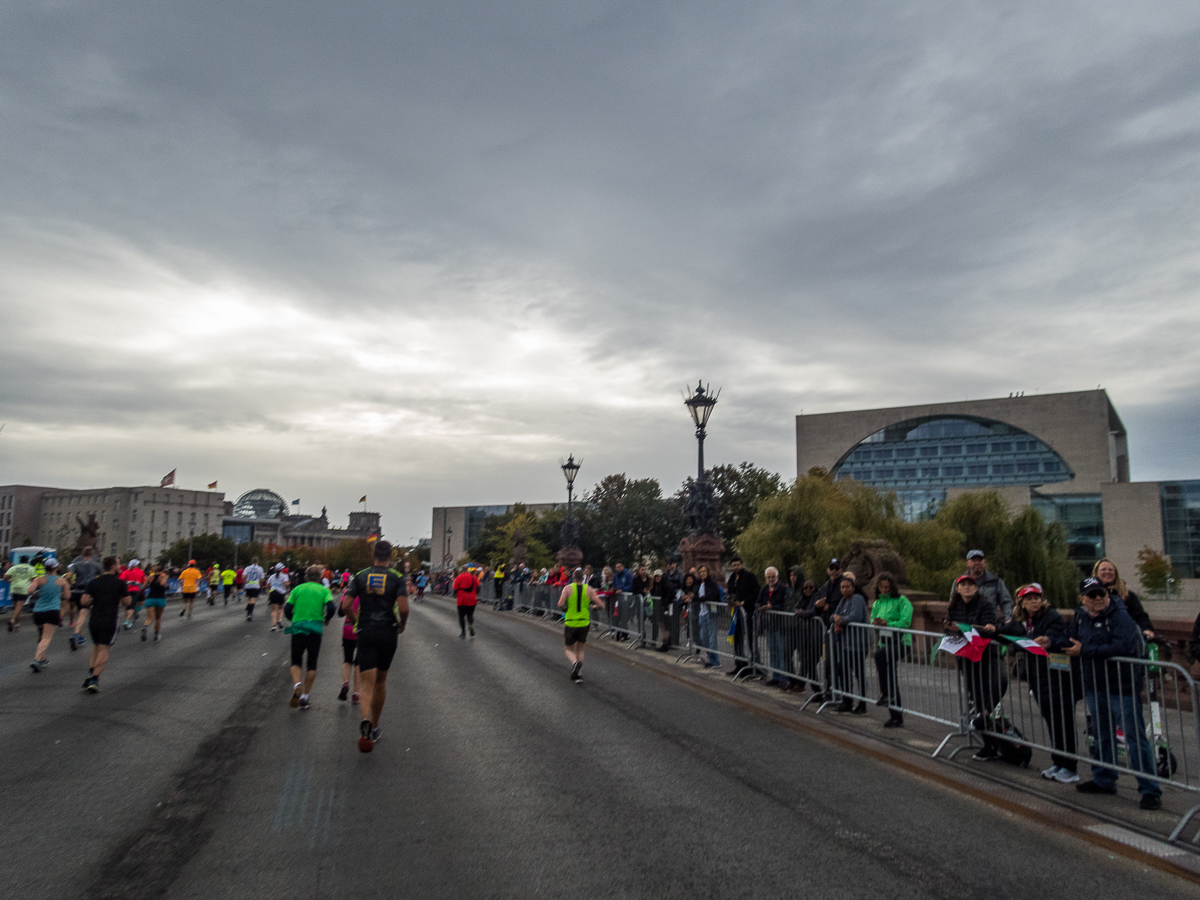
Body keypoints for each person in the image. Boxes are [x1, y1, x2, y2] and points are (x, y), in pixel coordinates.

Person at [1065, 578, 1162, 809]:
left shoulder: (1120, 616)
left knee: (1134, 739)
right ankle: (1104, 779)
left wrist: (1085, 650)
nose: (1098, 598)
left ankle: (1150, 790)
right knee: (1101, 735)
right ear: (1083, 599)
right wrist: (1048, 640)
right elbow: (1069, 638)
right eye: (1092, 595)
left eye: (1102, 594)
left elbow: (1123, 646)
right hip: (1096, 685)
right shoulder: (1081, 616)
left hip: (1122, 687)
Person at [1002, 583, 1078, 783]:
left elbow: (1060, 636)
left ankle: (1070, 767)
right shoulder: (1022, 621)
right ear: (1022, 603)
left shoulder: (1051, 616)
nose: (1034, 601)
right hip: (1039, 677)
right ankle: (1058, 761)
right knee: (1051, 720)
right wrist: (991, 629)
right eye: (1029, 599)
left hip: (1058, 676)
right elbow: (1005, 633)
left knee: (1063, 721)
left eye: (1036, 598)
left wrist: (1049, 641)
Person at [343, 541, 408, 753]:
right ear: (390, 555)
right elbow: (405, 607)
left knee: (366, 683)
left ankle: (364, 720)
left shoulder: (360, 575)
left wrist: (354, 621)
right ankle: (376, 726)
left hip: (366, 631)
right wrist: (402, 623)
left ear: (374, 554)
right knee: (381, 681)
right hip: (388, 632)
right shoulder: (397, 577)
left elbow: (345, 605)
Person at [945, 574, 1007, 760]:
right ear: (957, 589)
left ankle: (989, 719)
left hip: (988, 655)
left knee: (999, 684)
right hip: (968, 658)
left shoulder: (985, 604)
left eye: (970, 584)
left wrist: (963, 629)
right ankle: (988, 746)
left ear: (975, 588)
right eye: (963, 584)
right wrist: (953, 629)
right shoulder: (954, 607)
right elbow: (948, 629)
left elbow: (988, 628)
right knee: (978, 698)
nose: (967, 587)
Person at [284, 565, 338, 710]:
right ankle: (304, 697)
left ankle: (297, 684)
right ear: (320, 577)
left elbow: (287, 609)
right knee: (312, 663)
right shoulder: (324, 590)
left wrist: (293, 619)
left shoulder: (297, 589)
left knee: (296, 661)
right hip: (315, 629)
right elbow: (332, 608)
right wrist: (326, 619)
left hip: (298, 628)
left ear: (306, 576)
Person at [79, 556, 132, 692]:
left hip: (95, 618)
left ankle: (91, 672)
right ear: (113, 566)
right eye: (118, 564)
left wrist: (96, 601)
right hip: (110, 619)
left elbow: (84, 601)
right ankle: (95, 679)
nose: (120, 567)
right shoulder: (120, 583)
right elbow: (128, 602)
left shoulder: (93, 582)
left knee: (95, 647)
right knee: (104, 649)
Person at [870, 573, 912, 728]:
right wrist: (875, 623)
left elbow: (906, 621)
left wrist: (888, 623)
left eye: (887, 587)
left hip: (901, 641)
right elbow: (872, 620)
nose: (884, 590)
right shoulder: (877, 603)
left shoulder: (902, 600)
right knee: (890, 677)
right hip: (884, 641)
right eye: (881, 587)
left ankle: (885, 694)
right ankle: (896, 716)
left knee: (879, 656)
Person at [557, 568, 605, 683]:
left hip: (571, 622)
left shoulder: (568, 588)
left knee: (569, 649)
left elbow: (560, 604)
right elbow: (601, 604)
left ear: (573, 578)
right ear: (583, 578)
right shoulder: (589, 589)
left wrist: (565, 609)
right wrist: (594, 607)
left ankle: (574, 663)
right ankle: (578, 675)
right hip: (584, 622)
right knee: (580, 649)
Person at [1092, 558, 1155, 642]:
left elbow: (1140, 616)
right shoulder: (1089, 595)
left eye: (1110, 569)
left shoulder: (1127, 595)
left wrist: (1146, 629)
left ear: (1115, 573)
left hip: (1122, 641)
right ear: (1096, 573)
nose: (1107, 572)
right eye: (1103, 569)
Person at [831, 575, 869, 713]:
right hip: (846, 643)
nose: (844, 589)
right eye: (842, 587)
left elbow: (856, 616)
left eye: (847, 586)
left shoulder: (857, 599)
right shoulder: (843, 600)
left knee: (859, 673)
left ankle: (862, 703)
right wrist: (836, 617)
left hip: (858, 642)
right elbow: (833, 615)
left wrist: (840, 619)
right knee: (842, 670)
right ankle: (847, 700)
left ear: (853, 587)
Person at [29, 558, 70, 672]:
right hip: (52, 611)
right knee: (46, 638)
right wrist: (58, 593)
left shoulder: (39, 579)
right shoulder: (62, 581)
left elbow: (30, 590)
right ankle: (36, 660)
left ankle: (43, 659)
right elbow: (67, 596)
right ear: (56, 567)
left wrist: (38, 592)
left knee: (42, 636)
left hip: (38, 611)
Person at [952, 550, 1013, 621]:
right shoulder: (958, 582)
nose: (977, 563)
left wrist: (1008, 619)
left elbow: (1006, 603)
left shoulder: (996, 582)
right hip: (966, 625)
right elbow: (953, 602)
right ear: (968, 563)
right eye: (974, 560)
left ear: (984, 562)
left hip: (990, 624)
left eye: (980, 560)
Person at [758, 567, 789, 687]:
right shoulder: (764, 589)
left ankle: (783, 677)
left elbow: (785, 605)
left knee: (781, 652)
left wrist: (772, 607)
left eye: (772, 577)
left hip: (779, 624)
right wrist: (761, 607)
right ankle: (775, 676)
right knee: (773, 652)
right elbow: (758, 602)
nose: (770, 579)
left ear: (777, 577)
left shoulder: (782, 589)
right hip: (769, 625)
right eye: (768, 577)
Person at [68, 546, 103, 650]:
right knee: (84, 614)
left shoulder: (76, 565)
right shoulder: (96, 565)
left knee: (80, 614)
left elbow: (68, 576)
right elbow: (101, 578)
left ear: (82, 555)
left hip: (78, 591)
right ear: (91, 555)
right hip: (88, 592)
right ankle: (75, 635)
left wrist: (72, 584)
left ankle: (80, 637)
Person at [695, 564, 722, 668]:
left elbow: (710, 596)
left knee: (712, 639)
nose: (702, 573)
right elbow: (694, 594)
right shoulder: (699, 583)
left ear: (708, 572)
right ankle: (711, 658)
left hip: (710, 613)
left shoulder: (712, 583)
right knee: (704, 637)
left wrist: (697, 598)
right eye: (701, 572)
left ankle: (715, 661)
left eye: (704, 571)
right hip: (701, 613)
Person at [339, 591, 360, 703]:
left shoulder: (348, 592)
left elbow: (340, 612)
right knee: (358, 662)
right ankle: (356, 693)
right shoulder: (368, 592)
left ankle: (345, 683)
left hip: (348, 628)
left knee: (347, 659)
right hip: (362, 629)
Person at [6, 554, 36, 632]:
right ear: (27, 561)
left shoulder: (14, 567)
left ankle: (17, 624)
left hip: (14, 588)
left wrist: (9, 581)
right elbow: (34, 579)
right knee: (19, 607)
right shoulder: (31, 568)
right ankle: (12, 620)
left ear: (20, 561)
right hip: (23, 589)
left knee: (15, 607)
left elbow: (5, 576)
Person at [452, 565, 480, 639]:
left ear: (461, 570)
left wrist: (455, 595)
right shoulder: (474, 577)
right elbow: (479, 586)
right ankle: (470, 625)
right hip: (472, 600)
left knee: (461, 616)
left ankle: (463, 632)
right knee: (470, 615)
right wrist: (475, 593)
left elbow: (454, 590)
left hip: (461, 601)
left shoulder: (458, 578)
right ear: (467, 570)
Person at [142, 565, 169, 641]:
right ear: (163, 570)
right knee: (158, 618)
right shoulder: (164, 576)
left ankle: (145, 627)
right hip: (160, 599)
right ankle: (156, 635)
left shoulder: (150, 577)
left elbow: (143, 587)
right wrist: (167, 586)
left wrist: (149, 585)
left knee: (150, 618)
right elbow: (162, 584)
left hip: (150, 599)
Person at [120, 558, 145, 630]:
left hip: (127, 590)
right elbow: (143, 582)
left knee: (127, 606)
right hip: (136, 591)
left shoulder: (126, 571)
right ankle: (127, 620)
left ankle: (126, 620)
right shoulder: (141, 572)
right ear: (136, 565)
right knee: (132, 606)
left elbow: (121, 580)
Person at [268, 565, 290, 632]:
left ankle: (273, 625)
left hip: (273, 592)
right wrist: (287, 588)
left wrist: (268, 591)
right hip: (280, 593)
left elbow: (268, 585)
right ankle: (279, 620)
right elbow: (286, 584)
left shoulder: (272, 576)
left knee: (274, 610)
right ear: (282, 569)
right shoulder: (284, 576)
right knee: (281, 608)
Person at [242, 558, 265, 622]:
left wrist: (244, 582)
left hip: (248, 585)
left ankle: (248, 611)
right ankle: (250, 613)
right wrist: (260, 583)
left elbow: (243, 577)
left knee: (249, 599)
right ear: (258, 561)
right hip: (255, 586)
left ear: (251, 561)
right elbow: (262, 579)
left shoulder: (247, 568)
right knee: (253, 600)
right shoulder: (260, 568)